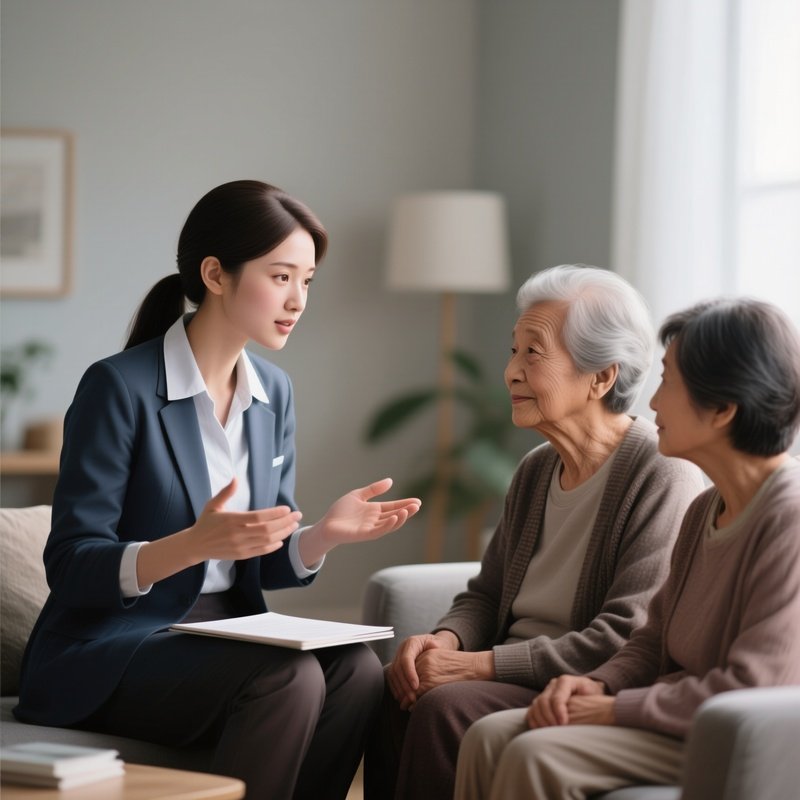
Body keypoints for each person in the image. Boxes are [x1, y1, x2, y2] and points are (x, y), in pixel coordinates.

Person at [14, 180, 421, 800]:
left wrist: (320, 538)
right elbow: (69, 565)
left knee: (360, 673)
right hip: (114, 647)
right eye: (281, 277)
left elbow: (256, 555)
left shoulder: (273, 393)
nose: (298, 300)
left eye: (307, 281)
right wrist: (190, 544)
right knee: (289, 680)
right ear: (215, 274)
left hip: (227, 633)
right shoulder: (117, 389)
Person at [365, 265, 706, 799]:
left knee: (446, 705)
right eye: (513, 351)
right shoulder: (536, 468)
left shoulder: (663, 476)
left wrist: (476, 666)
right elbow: (486, 595)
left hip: (575, 687)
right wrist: (446, 639)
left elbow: (623, 636)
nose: (511, 373)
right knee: (392, 687)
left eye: (534, 353)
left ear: (601, 377)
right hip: (505, 674)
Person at [454, 296, 800, 800]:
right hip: (682, 713)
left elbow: (753, 685)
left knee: (536, 754)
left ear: (723, 409)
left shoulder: (787, 517)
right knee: (487, 737)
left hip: (733, 732)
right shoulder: (706, 509)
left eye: (670, 382)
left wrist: (615, 708)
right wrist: (598, 683)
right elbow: (650, 641)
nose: (653, 402)